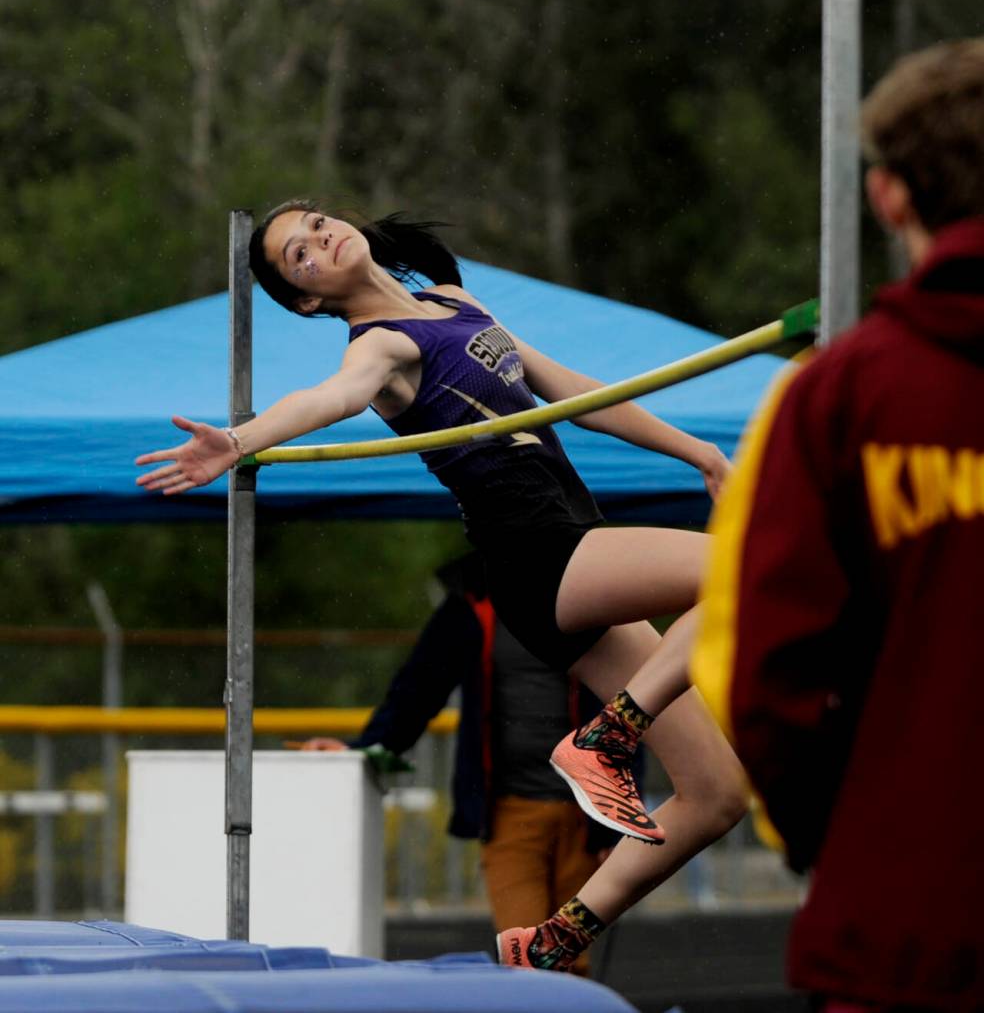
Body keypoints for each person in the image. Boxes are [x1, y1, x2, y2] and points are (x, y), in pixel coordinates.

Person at [135, 194, 747, 971]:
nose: (319, 237)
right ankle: (607, 733)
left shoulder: (450, 301)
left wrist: (700, 451)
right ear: (308, 298)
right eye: (300, 253)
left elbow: (577, 395)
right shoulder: (380, 349)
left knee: (716, 794)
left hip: (576, 539)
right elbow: (330, 399)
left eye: (317, 222)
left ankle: (549, 942)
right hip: (539, 553)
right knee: (748, 565)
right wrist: (239, 438)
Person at [690, 39, 984, 1013]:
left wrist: (843, 840)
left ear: (889, 197)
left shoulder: (833, 400)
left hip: (905, 929)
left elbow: (753, 672)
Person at [296, 552, 637, 977]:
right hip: (511, 812)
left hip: (586, 814)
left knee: (574, 958)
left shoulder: (592, 601)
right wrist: (366, 746)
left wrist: (618, 823)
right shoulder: (471, 606)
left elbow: (627, 706)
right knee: (525, 955)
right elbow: (419, 686)